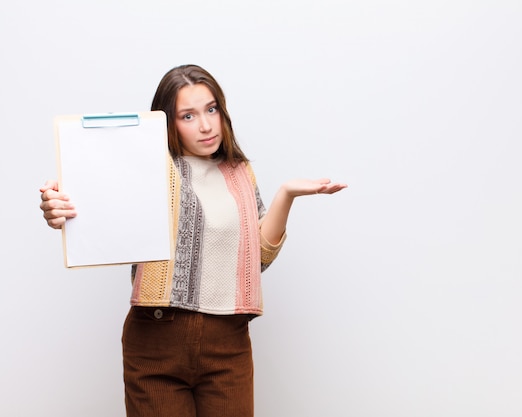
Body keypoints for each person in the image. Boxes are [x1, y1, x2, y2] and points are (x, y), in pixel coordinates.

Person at [39, 64, 347, 417]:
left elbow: (257, 259)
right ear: (168, 123)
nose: (205, 125)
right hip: (157, 338)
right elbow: (98, 211)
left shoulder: (238, 173)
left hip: (228, 342)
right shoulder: (146, 168)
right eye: (188, 116)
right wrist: (57, 210)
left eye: (211, 109)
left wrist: (286, 195)